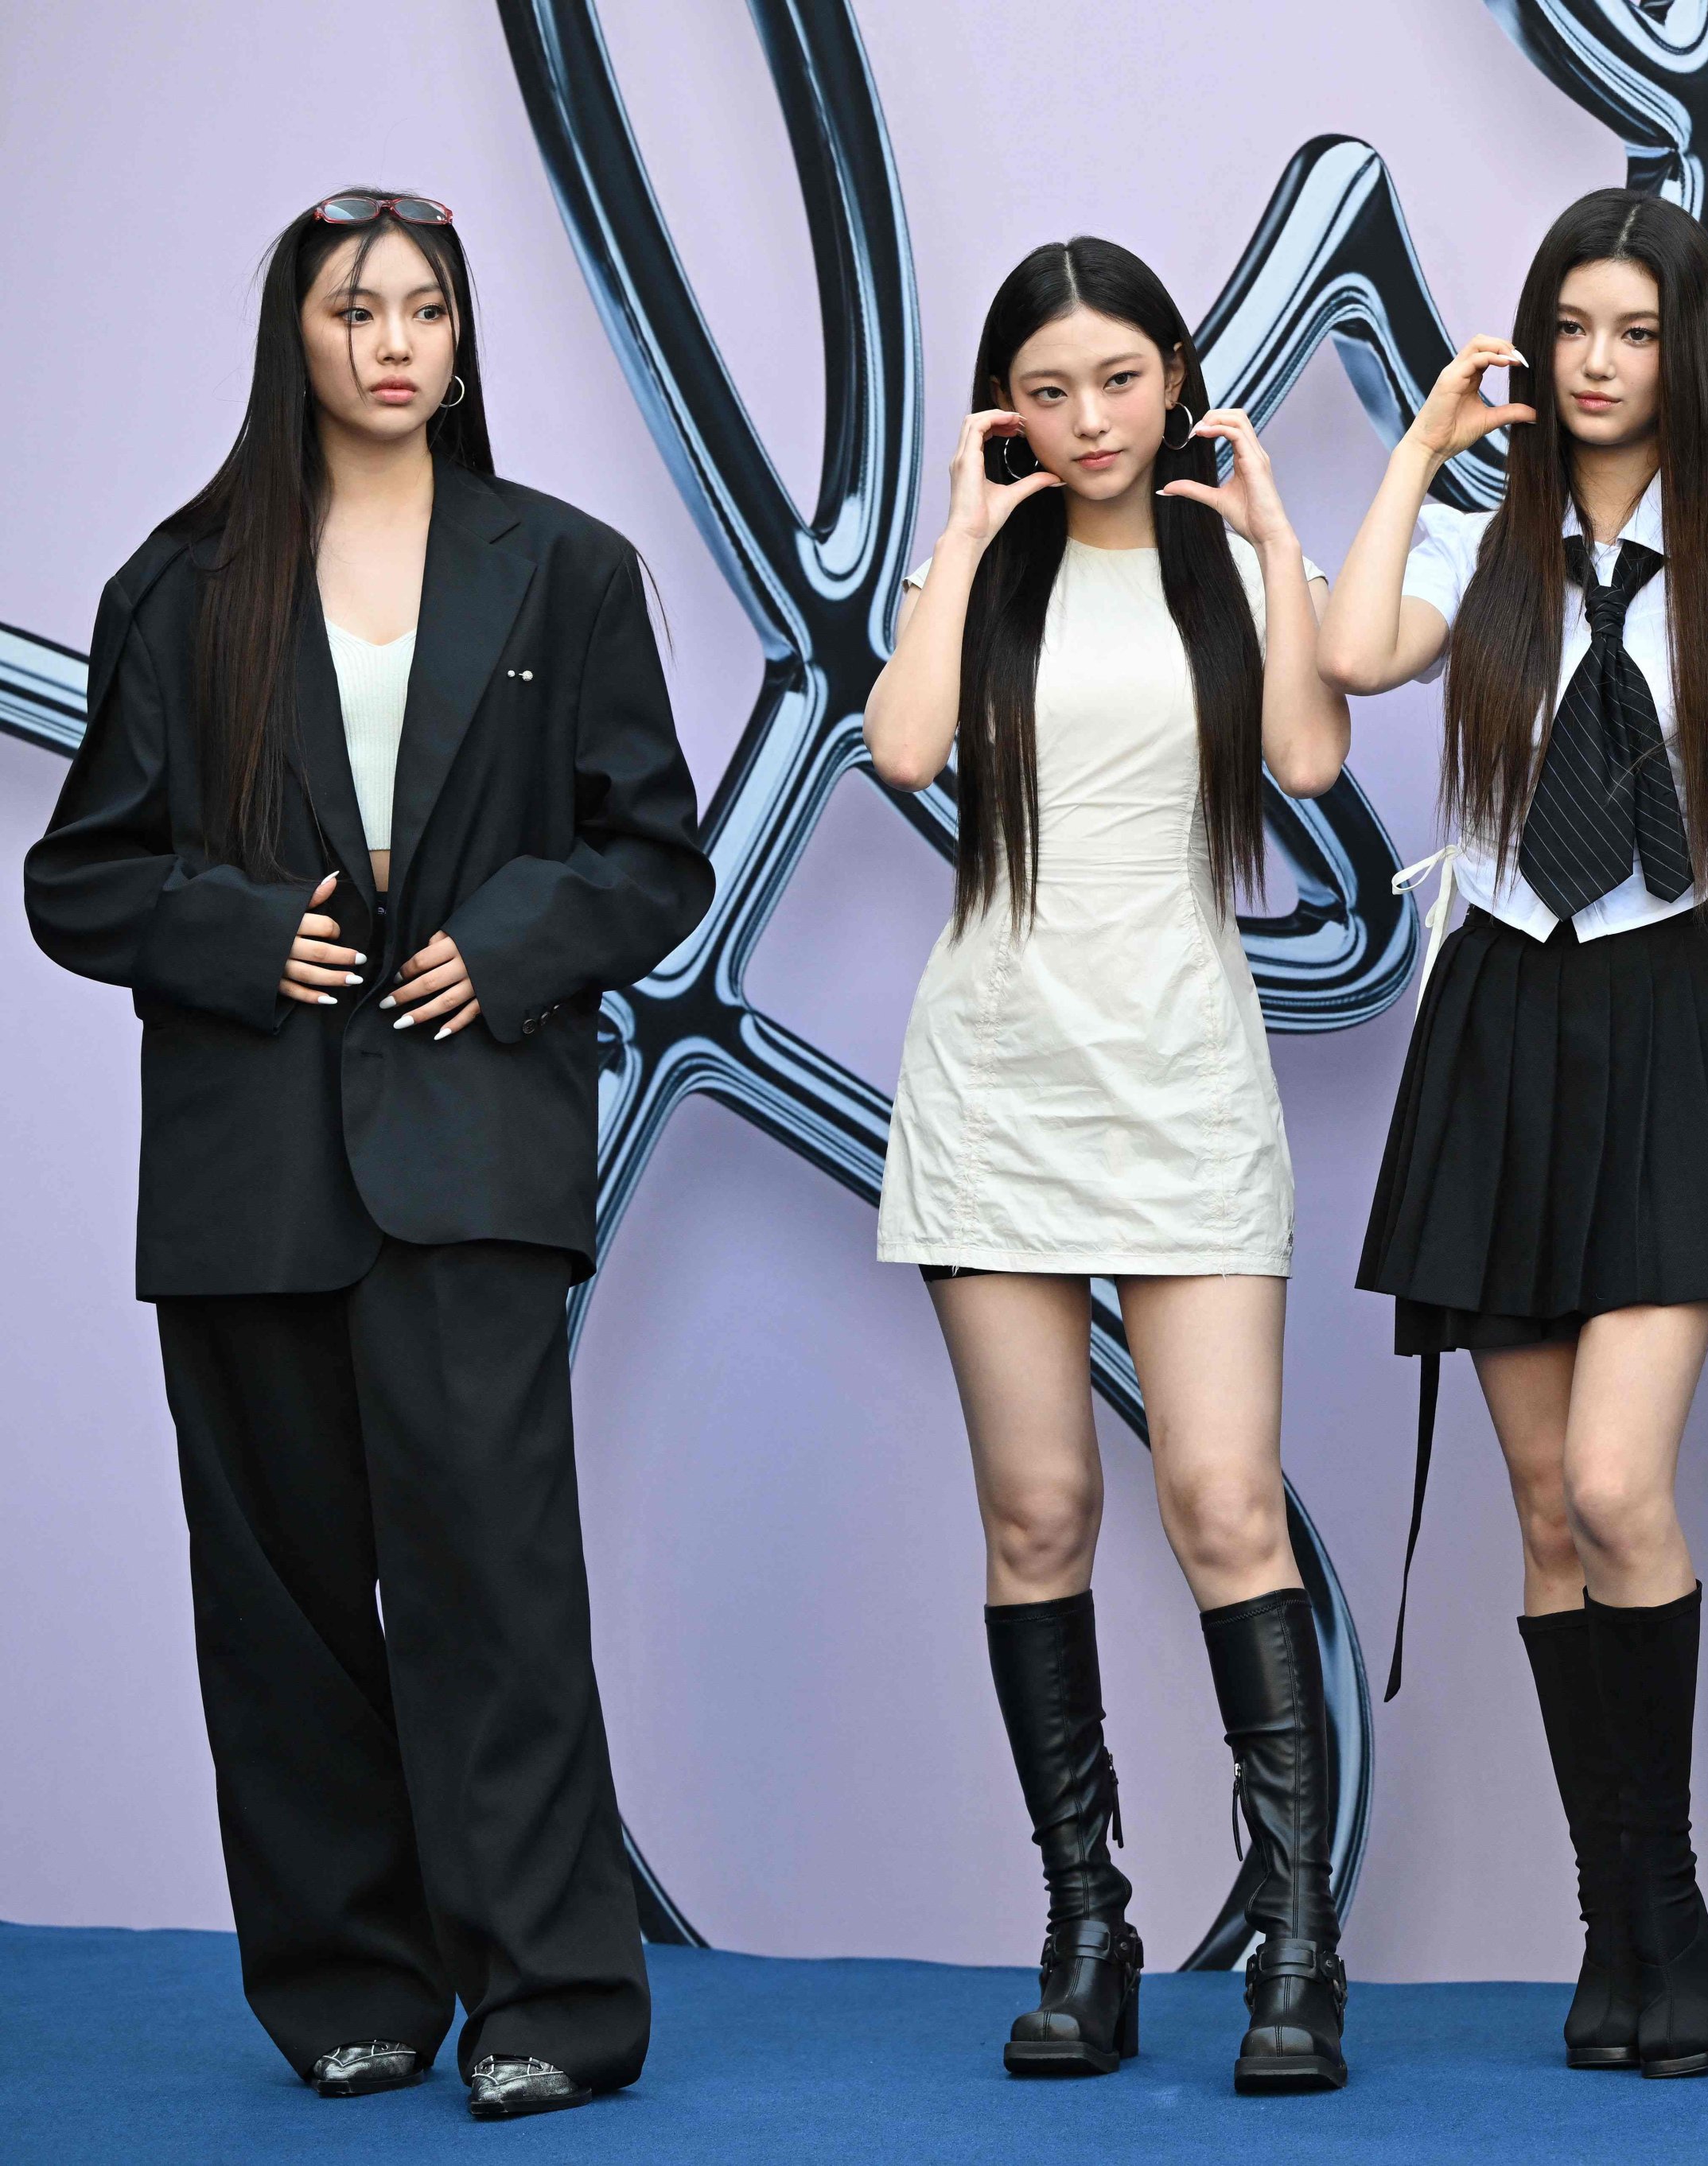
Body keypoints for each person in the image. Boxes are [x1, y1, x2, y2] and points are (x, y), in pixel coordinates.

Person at [24, 190, 712, 2121]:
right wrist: (246, 937)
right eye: (354, 310)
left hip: (473, 1147)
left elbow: (656, 853)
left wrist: (500, 950)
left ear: (462, 340)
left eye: (424, 308)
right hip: (249, 1169)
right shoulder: (182, 583)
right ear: (296, 339)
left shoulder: (565, 574)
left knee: (494, 1583)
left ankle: (553, 2003)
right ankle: (351, 1989)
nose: (393, 341)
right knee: (283, 1598)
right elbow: (79, 872)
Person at [1317, 189, 1708, 2081]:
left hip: (1670, 1006)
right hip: (1503, 1011)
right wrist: (1421, 452)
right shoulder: (1483, 543)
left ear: (1679, 352)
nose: (1600, 364)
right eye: (1571, 330)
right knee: (1541, 1511)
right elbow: (1358, 658)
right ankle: (1607, 1926)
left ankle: (1669, 1902)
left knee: (1620, 1487)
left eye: (1631, 332)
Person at [865, 235, 1354, 2094]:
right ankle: (1088, 1929)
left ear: (1175, 377)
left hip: (1182, 1076)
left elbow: (1308, 759)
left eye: (1121, 381)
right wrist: (957, 539)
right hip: (996, 1074)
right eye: (1050, 390)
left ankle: (1298, 1946)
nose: (1088, 421)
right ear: (1009, 401)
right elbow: (902, 746)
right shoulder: (988, 576)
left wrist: (1277, 536)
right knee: (1037, 1517)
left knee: (1223, 1504)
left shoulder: (1226, 565)